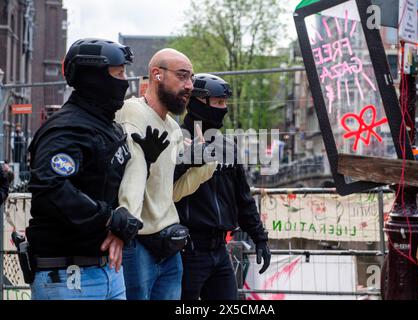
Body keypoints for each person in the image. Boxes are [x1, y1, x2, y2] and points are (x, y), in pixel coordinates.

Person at [25, 38, 155, 300]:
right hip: (67, 276)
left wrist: (145, 164)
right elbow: (51, 188)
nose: (126, 81)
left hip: (108, 269)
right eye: (119, 74)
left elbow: (105, 184)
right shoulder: (66, 129)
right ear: (94, 78)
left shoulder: (107, 126)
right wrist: (108, 218)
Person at [116, 49, 217, 300]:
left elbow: (169, 193)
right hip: (136, 243)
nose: (190, 85)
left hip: (169, 246)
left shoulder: (172, 127)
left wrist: (204, 166)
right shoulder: (131, 112)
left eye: (191, 78)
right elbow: (129, 182)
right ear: (156, 75)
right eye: (183, 76)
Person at [175, 73, 271, 300]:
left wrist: (260, 238)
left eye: (225, 102)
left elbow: (243, 198)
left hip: (220, 250)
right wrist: (187, 159)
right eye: (218, 102)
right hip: (187, 251)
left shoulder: (227, 146)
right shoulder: (175, 139)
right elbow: (159, 186)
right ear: (198, 102)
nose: (224, 108)